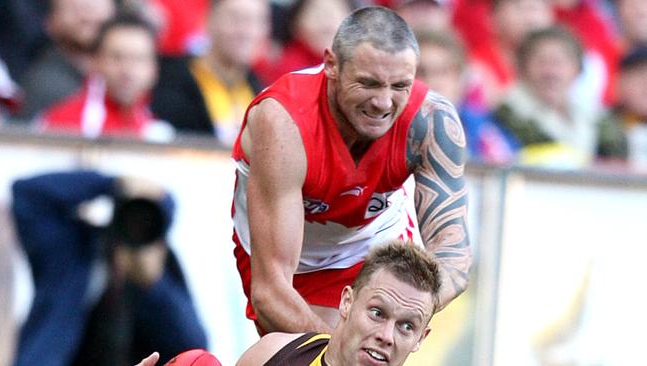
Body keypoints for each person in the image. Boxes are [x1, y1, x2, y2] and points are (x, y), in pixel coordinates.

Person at [231, 6, 471, 335]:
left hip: (369, 243)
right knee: (289, 351)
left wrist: (408, 309)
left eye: (400, 86)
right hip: (287, 257)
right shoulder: (283, 122)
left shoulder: (432, 120)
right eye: (369, 83)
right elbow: (271, 293)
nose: (384, 103)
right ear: (331, 65)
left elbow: (453, 255)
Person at [11, 170, 207, 366]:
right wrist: (113, 183)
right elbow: (27, 194)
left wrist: (154, 286)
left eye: (147, 222)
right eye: (133, 216)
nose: (137, 228)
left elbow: (195, 346)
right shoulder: (74, 250)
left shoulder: (163, 267)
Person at [236, 241, 441, 365]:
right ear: (346, 302)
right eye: (377, 313)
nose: (386, 337)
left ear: (420, 339)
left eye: (406, 326)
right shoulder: (273, 354)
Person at [38, 13, 173, 141]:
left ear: (154, 69)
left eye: (138, 59)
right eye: (117, 57)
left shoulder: (158, 132)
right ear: (95, 63)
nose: (127, 70)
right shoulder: (62, 123)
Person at [151, 0, 269, 144]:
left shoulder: (262, 93)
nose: (246, 32)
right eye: (235, 18)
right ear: (207, 20)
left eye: (256, 21)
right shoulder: (169, 82)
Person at [492, 26, 612, 167]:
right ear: (522, 68)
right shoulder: (505, 115)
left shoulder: (595, 114)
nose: (551, 73)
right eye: (542, 62)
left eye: (559, 62)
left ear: (578, 70)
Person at [415, 30, 515, 163]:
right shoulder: (387, 128)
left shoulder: (483, 130)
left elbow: (508, 168)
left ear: (460, 79)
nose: (432, 82)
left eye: (442, 72)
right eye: (421, 72)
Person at [13, 0, 115, 122]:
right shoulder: (44, 85)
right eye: (75, 7)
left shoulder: (130, 79)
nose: (88, 14)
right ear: (49, 22)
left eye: (95, 4)